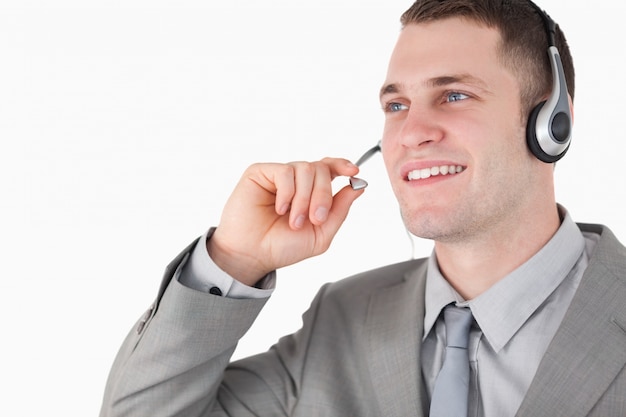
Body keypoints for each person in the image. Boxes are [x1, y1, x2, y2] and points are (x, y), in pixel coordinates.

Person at [99, 0, 626, 416]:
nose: (411, 133)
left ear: (552, 123)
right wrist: (235, 259)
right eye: (396, 105)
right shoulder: (342, 319)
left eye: (454, 95)